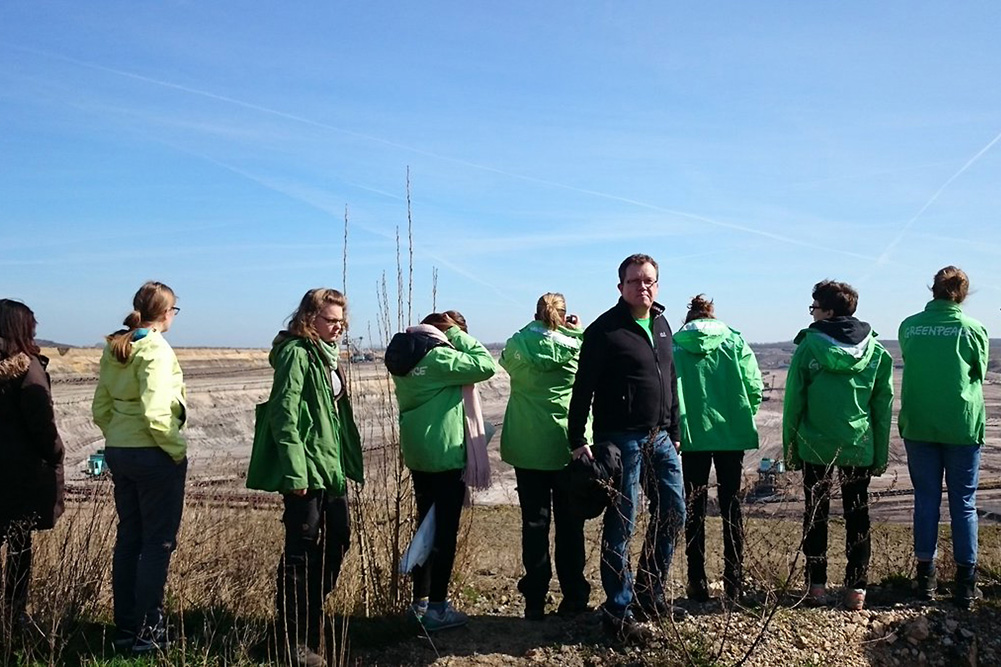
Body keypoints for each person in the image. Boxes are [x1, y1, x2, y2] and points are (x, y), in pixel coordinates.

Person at [567, 253, 686, 641]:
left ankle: (651, 592)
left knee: (674, 511)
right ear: (621, 287)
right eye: (635, 281)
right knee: (623, 523)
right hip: (620, 439)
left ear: (658, 284)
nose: (643, 287)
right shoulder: (604, 331)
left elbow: (668, 377)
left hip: (661, 437)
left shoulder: (663, 324)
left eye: (649, 280)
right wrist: (577, 439)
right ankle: (618, 610)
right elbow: (582, 388)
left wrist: (675, 429)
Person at [246, 288, 364, 667]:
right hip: (306, 469)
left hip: (330, 468)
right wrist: (296, 471)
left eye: (342, 321)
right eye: (331, 320)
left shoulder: (326, 356)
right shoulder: (297, 354)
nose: (338, 327)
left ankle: (308, 621)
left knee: (338, 541)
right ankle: (291, 640)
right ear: (309, 319)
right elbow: (284, 414)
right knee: (301, 552)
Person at [783, 280, 893, 611]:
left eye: (814, 307)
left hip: (815, 445)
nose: (812, 313)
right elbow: (882, 407)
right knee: (857, 516)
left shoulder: (808, 347)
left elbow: (793, 402)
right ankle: (856, 590)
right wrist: (880, 454)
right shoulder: (876, 351)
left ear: (828, 311)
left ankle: (816, 588)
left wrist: (790, 448)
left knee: (815, 514)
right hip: (858, 444)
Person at [384, 311, 496, 632]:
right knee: (443, 534)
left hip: (419, 455)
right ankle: (437, 608)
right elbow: (485, 365)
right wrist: (457, 335)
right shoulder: (437, 358)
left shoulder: (405, 357)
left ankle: (419, 602)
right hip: (445, 455)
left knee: (425, 527)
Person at [92, 281, 187, 653]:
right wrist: (175, 450)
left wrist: (116, 435)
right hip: (153, 453)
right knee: (157, 543)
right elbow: (157, 411)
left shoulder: (117, 346)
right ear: (166, 313)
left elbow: (101, 406)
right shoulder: (155, 350)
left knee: (129, 538)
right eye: (174, 310)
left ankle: (126, 628)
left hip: (119, 449)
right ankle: (150, 632)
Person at [899, 266, 989, 608]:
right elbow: (978, 370)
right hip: (962, 425)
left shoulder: (909, 326)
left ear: (932, 290)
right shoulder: (973, 329)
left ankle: (926, 581)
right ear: (962, 294)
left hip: (920, 423)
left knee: (926, 499)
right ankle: (966, 585)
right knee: (963, 503)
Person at [499, 293, 589, 621]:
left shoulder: (519, 345)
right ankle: (574, 596)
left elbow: (506, 356)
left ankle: (535, 600)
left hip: (528, 444)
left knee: (534, 525)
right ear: (564, 316)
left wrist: (536, 326)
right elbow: (588, 364)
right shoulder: (576, 346)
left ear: (535, 315)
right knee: (570, 524)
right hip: (567, 444)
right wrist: (574, 331)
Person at [673, 295, 762, 604]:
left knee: (694, 508)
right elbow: (754, 386)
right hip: (731, 436)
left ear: (690, 318)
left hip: (691, 437)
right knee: (731, 507)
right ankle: (733, 581)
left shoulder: (675, 345)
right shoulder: (735, 342)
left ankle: (696, 581)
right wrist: (741, 414)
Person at [0, 299, 64, 632]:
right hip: (17, 477)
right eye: (32, 325)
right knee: (19, 550)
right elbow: (43, 427)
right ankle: (13, 618)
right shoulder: (28, 371)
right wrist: (56, 453)